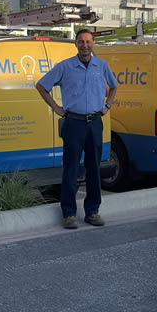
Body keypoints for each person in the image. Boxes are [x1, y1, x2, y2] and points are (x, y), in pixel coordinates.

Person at [36, 30, 117, 229]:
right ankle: (69, 214)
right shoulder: (65, 66)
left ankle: (93, 212)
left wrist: (107, 106)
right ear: (76, 44)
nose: (84, 45)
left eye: (88, 41)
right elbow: (41, 86)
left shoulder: (102, 66)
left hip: (95, 123)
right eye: (81, 41)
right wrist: (56, 108)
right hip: (73, 123)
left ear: (93, 44)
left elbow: (114, 86)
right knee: (71, 169)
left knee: (93, 169)